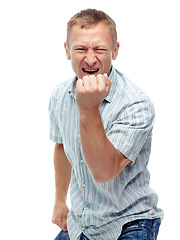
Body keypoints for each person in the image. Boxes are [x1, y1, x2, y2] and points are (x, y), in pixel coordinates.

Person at [49, 9, 163, 240]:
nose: (90, 59)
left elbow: (104, 171)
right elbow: (62, 147)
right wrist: (60, 200)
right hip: (82, 221)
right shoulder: (60, 95)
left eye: (100, 49)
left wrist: (88, 108)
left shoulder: (136, 103)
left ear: (115, 50)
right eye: (81, 49)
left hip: (130, 222)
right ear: (67, 51)